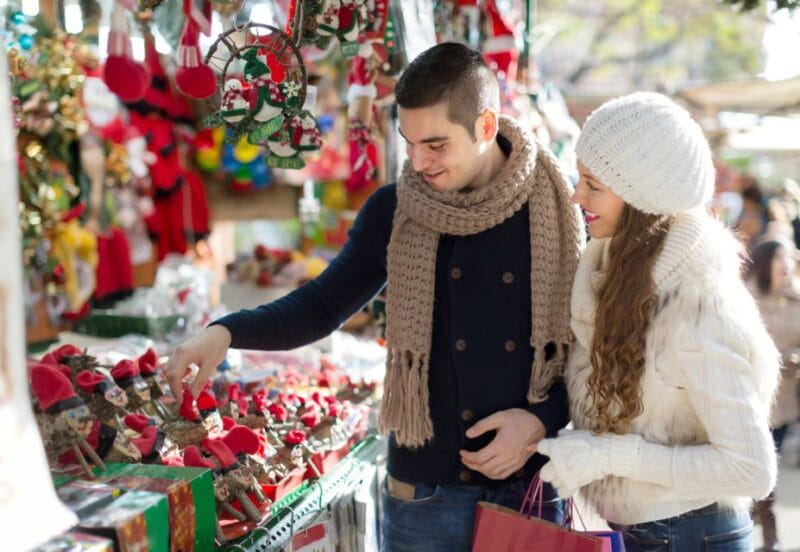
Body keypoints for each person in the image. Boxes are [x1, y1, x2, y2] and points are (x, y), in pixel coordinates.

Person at [164, 42, 584, 551]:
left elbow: (593, 351)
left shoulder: (559, 214)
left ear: (487, 127)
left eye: (436, 144)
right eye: (408, 142)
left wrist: (542, 421)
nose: (418, 162)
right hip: (422, 498)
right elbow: (321, 305)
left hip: (528, 491)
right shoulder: (394, 209)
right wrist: (227, 331)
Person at [536, 92, 780, 552]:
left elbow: (752, 468)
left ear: (641, 196)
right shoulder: (612, 275)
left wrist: (608, 455)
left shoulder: (694, 307)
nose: (575, 195)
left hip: (695, 536)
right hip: (655, 532)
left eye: (593, 184)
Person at [747, 238, 800, 552]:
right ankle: (768, 531)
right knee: (760, 465)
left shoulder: (797, 300)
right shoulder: (744, 299)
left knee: (771, 466)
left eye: (789, 260)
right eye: (780, 260)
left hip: (786, 402)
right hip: (752, 400)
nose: (787, 266)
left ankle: (763, 522)